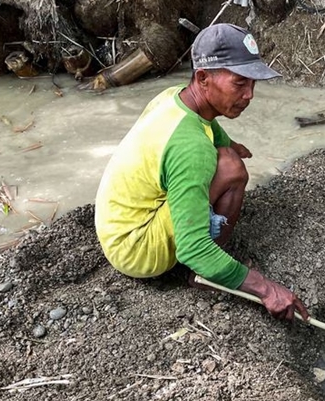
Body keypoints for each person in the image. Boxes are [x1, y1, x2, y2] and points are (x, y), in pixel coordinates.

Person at [95, 23, 308, 321]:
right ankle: (204, 277)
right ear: (203, 78)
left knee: (226, 156)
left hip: (114, 228)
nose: (249, 95)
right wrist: (266, 289)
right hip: (136, 249)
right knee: (231, 168)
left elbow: (208, 124)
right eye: (239, 83)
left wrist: (229, 142)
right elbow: (192, 248)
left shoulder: (174, 96)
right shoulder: (192, 149)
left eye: (253, 84)